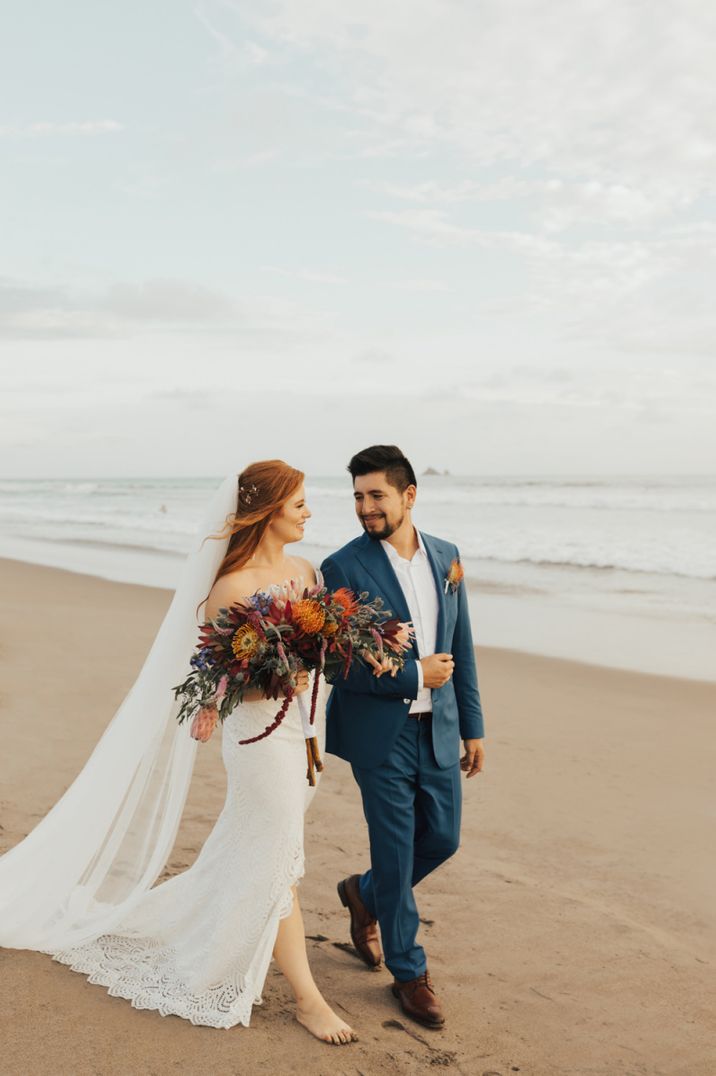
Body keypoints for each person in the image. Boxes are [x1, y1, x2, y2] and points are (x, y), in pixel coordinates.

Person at [0, 461, 357, 1044]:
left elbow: (321, 650)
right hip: (258, 739)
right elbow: (224, 676)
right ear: (268, 511)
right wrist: (279, 676)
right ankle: (307, 999)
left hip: (305, 732)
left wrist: (319, 662)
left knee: (263, 850)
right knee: (277, 858)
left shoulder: (306, 570)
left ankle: (208, 929)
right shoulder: (232, 588)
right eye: (298, 505)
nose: (309, 513)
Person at [321, 444, 486, 1029]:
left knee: (441, 838)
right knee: (396, 849)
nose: (365, 507)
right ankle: (409, 973)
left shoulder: (447, 557)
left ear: (408, 496)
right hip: (379, 734)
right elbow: (337, 665)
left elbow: (459, 645)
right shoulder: (342, 566)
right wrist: (415, 674)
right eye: (359, 497)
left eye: (376, 496)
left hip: (438, 729)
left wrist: (472, 726)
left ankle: (364, 892)